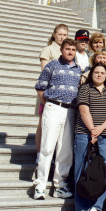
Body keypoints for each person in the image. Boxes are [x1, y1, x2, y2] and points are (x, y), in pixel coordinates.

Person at [34, 38, 82, 200]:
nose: (70, 52)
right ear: (61, 50)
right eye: (67, 49)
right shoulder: (52, 65)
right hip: (53, 107)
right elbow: (40, 87)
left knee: (65, 150)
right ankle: (40, 185)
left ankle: (60, 185)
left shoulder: (78, 69)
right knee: (47, 147)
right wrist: (48, 104)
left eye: (73, 50)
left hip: (70, 111)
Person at [74, 63, 106, 211]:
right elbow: (83, 110)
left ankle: (96, 206)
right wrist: (93, 130)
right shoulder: (85, 89)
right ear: (91, 74)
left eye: (102, 73)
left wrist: (100, 129)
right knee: (82, 170)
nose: (99, 75)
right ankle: (82, 207)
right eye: (96, 73)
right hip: (84, 134)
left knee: (103, 172)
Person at [35, 23, 68, 166]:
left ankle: (54, 154)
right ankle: (38, 153)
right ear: (54, 34)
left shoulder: (67, 50)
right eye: (60, 34)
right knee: (43, 124)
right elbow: (45, 72)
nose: (62, 37)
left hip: (63, 94)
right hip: (48, 91)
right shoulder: (48, 50)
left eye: (65, 35)